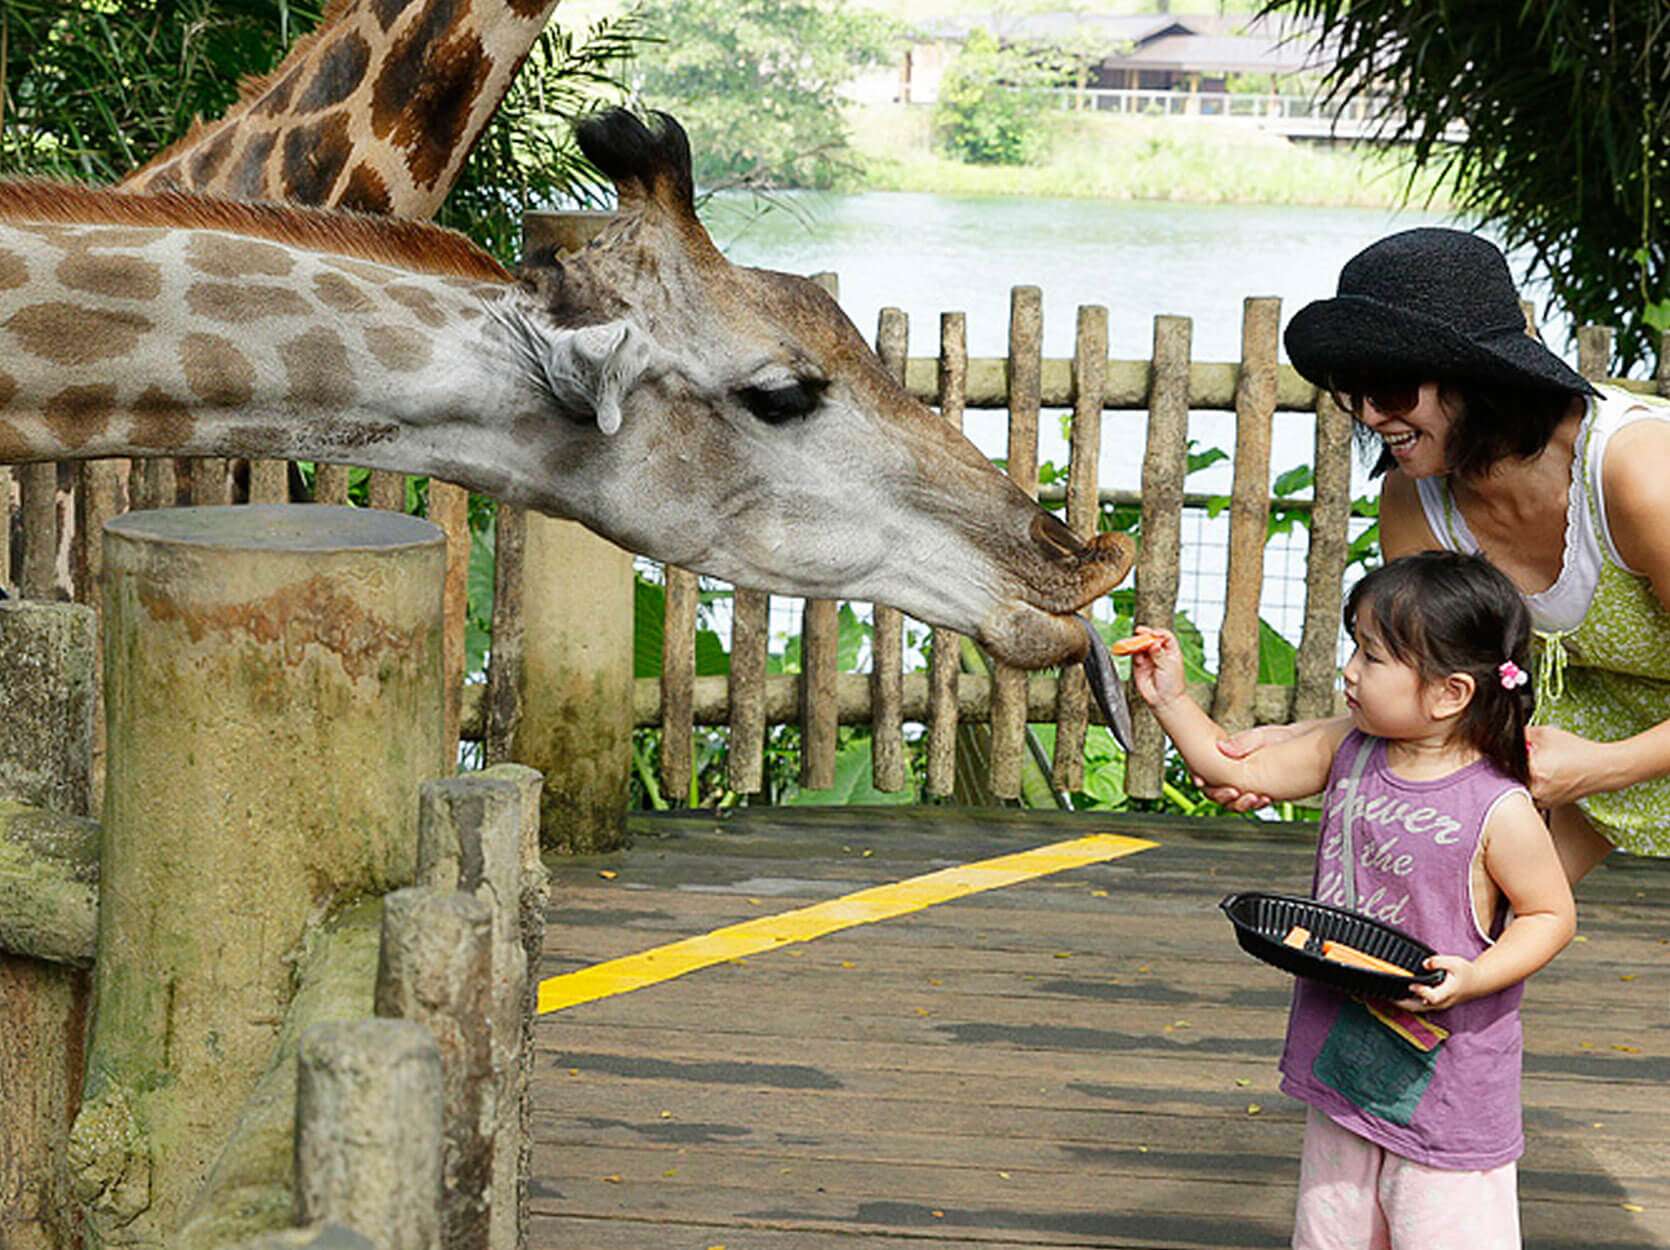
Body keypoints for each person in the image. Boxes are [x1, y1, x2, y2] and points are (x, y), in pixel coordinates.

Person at [1132, 551, 1575, 1250]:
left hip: (1446, 1091)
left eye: (1372, 656)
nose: (1349, 671)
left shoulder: (1498, 806)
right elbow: (1231, 766)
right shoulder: (1353, 750)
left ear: (1449, 693)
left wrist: (1476, 977)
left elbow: (1550, 915)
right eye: (1354, 648)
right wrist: (1170, 699)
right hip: (1343, 1065)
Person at [1205, 226, 1670, 882]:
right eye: (1353, 390)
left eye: (1391, 388)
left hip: (1621, 743)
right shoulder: (1415, 501)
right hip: (1597, 722)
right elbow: (1435, 680)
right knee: (1471, 911)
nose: (1370, 415)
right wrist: (1301, 745)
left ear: (1480, 379)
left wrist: (1606, 767)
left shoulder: (1640, 475)